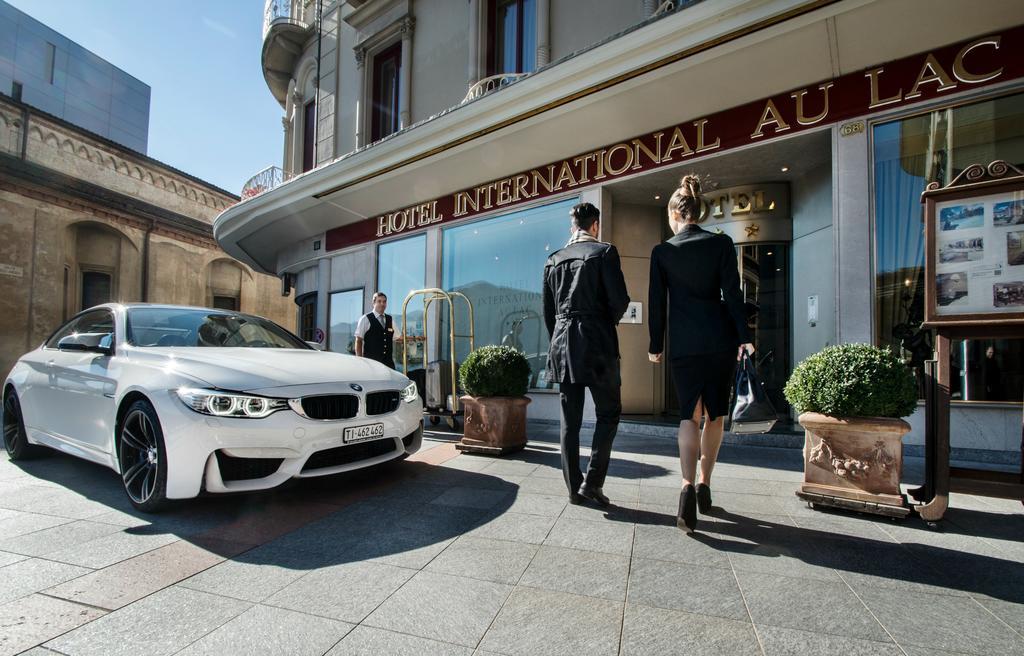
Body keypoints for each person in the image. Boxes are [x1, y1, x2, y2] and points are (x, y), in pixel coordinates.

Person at [648, 175, 754, 533]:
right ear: (699, 212)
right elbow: (733, 293)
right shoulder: (721, 245)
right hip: (720, 340)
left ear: (675, 214)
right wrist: (744, 336)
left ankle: (686, 490)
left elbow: (656, 304)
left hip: (685, 343)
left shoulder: (663, 251)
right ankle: (706, 485)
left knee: (688, 417)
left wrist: (655, 345)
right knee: (716, 416)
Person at [543, 202, 630, 507]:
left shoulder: (553, 259)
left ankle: (573, 487)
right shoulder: (604, 252)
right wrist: (604, 319)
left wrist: (560, 337)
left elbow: (548, 313)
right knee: (609, 412)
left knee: (570, 421)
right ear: (596, 226)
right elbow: (619, 301)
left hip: (563, 344)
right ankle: (592, 482)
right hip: (599, 344)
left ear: (573, 227)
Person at [354, 292, 396, 369]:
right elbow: (358, 340)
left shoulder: (390, 319)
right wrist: (360, 361)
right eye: (379, 301)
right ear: (373, 303)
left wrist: (416, 338)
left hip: (389, 365)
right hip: (371, 365)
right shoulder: (365, 319)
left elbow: (398, 338)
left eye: (384, 302)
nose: (382, 304)